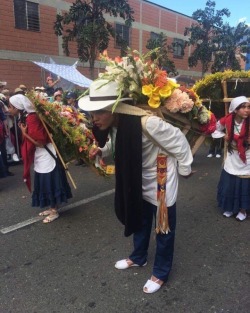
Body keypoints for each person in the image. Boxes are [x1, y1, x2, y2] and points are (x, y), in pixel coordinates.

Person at [78, 79, 194, 294]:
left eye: (100, 112)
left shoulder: (147, 123)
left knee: (163, 226)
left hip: (160, 175)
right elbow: (117, 143)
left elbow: (178, 140)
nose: (94, 118)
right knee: (139, 217)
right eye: (92, 113)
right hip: (136, 176)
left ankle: (160, 272)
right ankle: (138, 257)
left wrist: (185, 168)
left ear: (116, 109)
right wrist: (101, 151)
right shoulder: (118, 124)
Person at [8, 94, 72, 223]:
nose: (8, 110)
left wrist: (25, 134)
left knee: (49, 181)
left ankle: (54, 210)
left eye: (10, 107)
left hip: (46, 153)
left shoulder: (31, 118)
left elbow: (41, 142)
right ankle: (52, 207)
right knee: (44, 181)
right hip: (41, 154)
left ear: (17, 107)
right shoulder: (26, 116)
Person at [216, 96, 250, 222]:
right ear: (235, 110)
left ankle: (243, 210)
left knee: (244, 184)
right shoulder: (227, 120)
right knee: (229, 182)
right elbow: (216, 129)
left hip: (247, 158)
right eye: (243, 107)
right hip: (232, 156)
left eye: (248, 107)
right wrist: (224, 135)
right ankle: (229, 207)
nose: (247, 110)